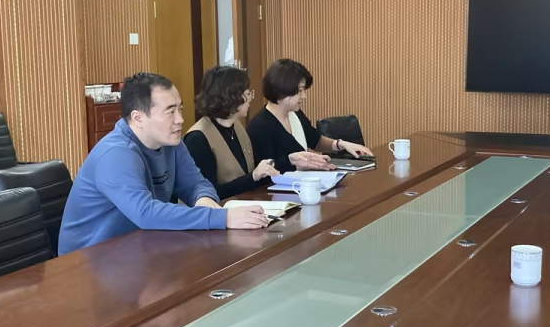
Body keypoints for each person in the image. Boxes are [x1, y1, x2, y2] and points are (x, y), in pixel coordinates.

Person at [58, 72, 269, 255]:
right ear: (138, 118)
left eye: (180, 109)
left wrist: (204, 199)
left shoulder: (170, 142)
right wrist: (222, 218)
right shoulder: (115, 154)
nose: (180, 119)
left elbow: (196, 183)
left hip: (140, 247)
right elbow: (145, 213)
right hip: (90, 260)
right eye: (170, 112)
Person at [247, 59, 373, 173]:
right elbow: (263, 171)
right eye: (300, 91)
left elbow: (316, 141)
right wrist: (299, 165)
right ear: (282, 90)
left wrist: (342, 144)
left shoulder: (296, 114)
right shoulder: (259, 126)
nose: (304, 96)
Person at [184, 66, 279, 200]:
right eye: (247, 94)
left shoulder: (237, 126)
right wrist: (253, 176)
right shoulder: (198, 138)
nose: (250, 98)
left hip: (246, 204)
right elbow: (208, 193)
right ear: (231, 97)